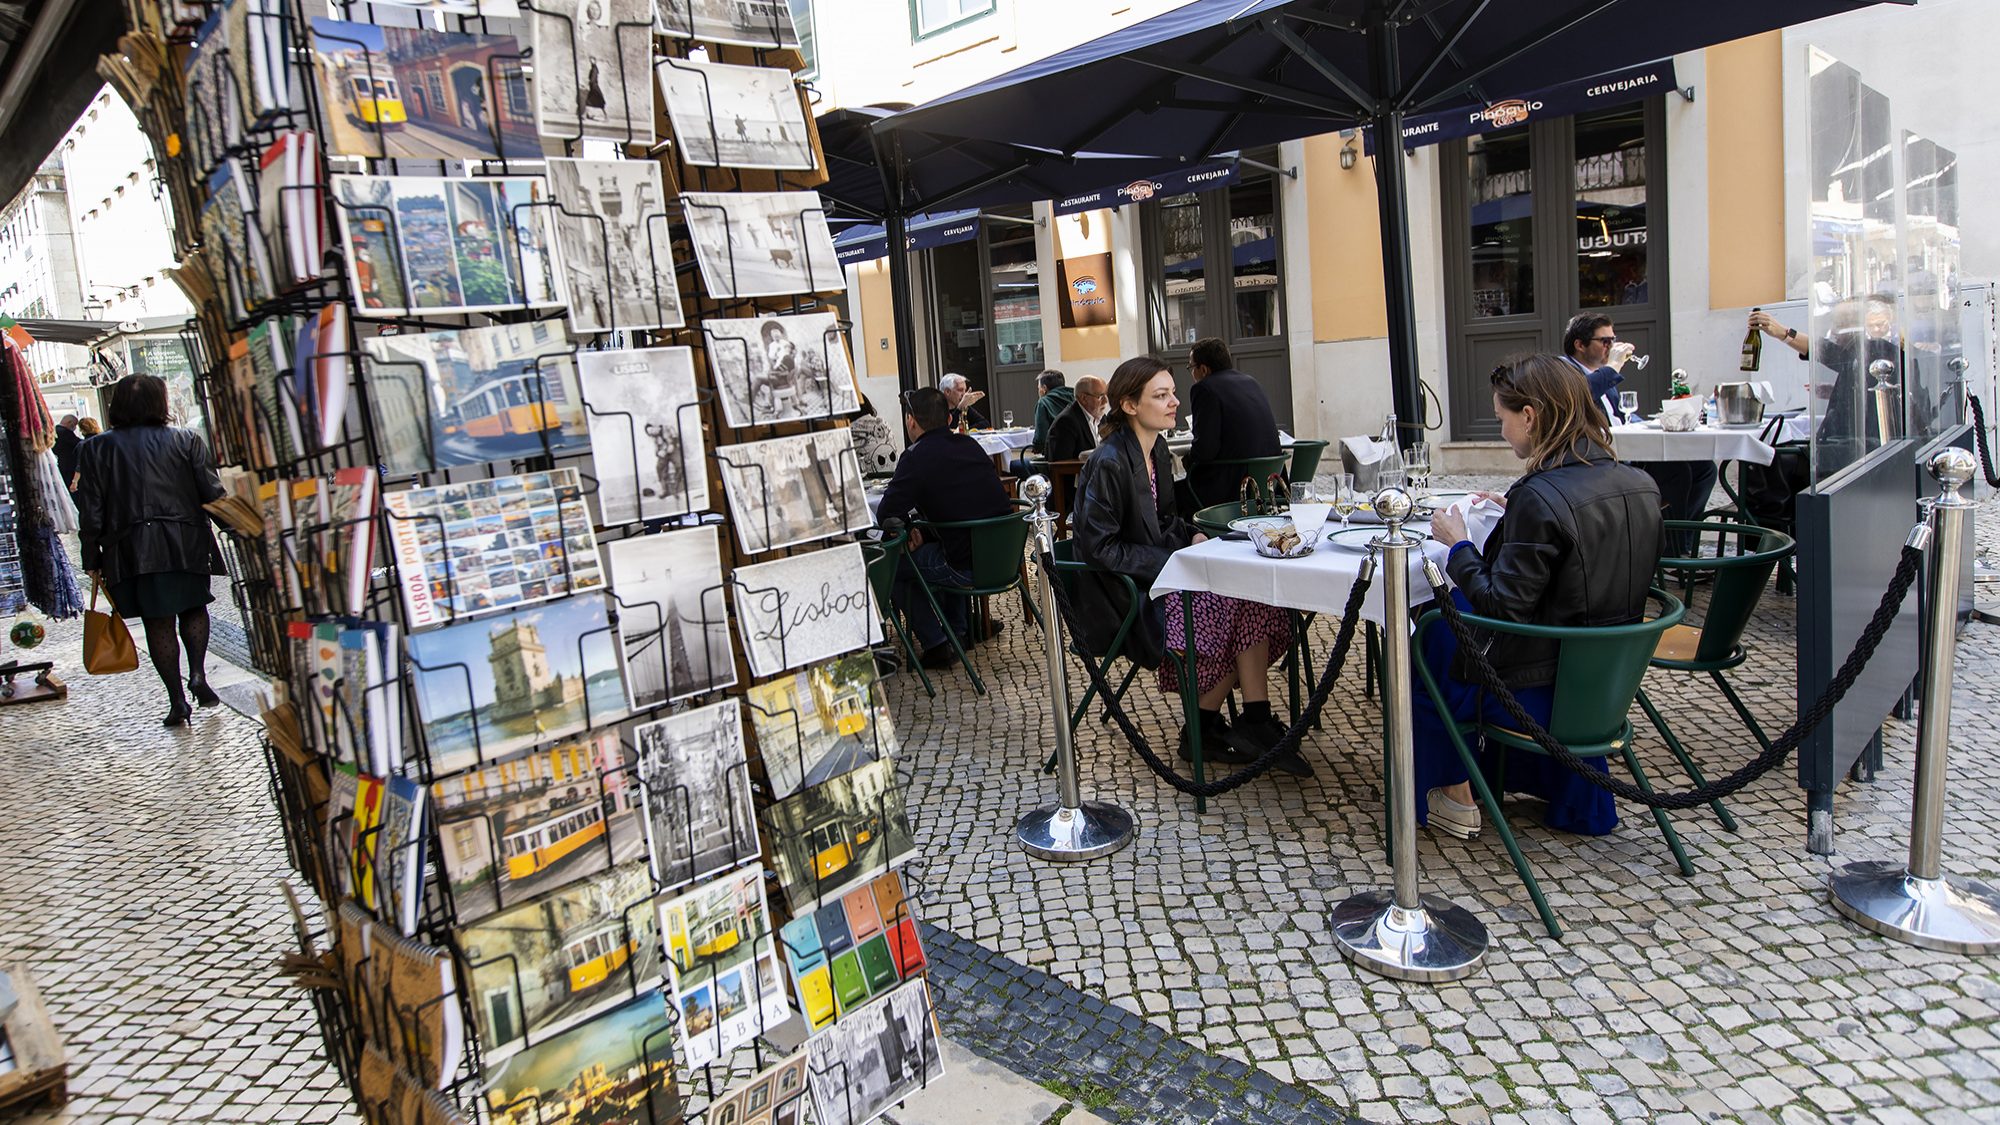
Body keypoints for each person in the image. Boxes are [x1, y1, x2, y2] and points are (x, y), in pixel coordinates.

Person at [1415, 355, 1664, 839]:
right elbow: (1587, 561)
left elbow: (1501, 606)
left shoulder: (1541, 493)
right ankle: (1535, 785)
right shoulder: (1638, 482)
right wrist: (1519, 521)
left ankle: (1453, 792)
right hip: (1604, 680)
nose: (1502, 431)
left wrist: (1459, 544)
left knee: (1431, 632)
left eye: (1502, 418)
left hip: (1542, 686)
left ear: (1529, 415)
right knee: (1448, 622)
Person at [1073, 357, 1307, 777]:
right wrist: (1175, 560)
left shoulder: (1156, 449)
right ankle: (1211, 726)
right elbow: (1098, 548)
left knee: (1256, 598)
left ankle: (1244, 719)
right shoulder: (1108, 461)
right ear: (1129, 405)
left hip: (1164, 580)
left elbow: (1164, 522)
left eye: (1172, 392)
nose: (1175, 402)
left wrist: (1196, 537)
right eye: (1161, 396)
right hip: (1126, 598)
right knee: (1233, 608)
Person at [75, 374, 227, 727]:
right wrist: (238, 528)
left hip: (132, 549)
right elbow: (211, 492)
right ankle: (199, 675)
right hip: (185, 542)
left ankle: (176, 700)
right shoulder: (186, 439)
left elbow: (91, 511)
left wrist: (91, 556)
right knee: (193, 608)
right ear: (161, 403)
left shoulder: (95, 448)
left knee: (157, 622)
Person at [875, 387, 1010, 668]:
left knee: (892, 568)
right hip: (1003, 559)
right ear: (949, 420)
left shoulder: (916, 457)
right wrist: (921, 531)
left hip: (965, 566)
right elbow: (962, 505)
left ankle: (937, 644)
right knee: (946, 546)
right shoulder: (970, 445)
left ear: (911, 421)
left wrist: (911, 527)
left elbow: (887, 512)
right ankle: (958, 631)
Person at [1562, 312, 1715, 548]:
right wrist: (1613, 366)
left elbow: (1620, 415)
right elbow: (1577, 397)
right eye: (1605, 341)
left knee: (1703, 467)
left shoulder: (1600, 373)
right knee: (1677, 472)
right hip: (1594, 462)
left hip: (1624, 452)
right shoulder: (1565, 372)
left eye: (1613, 339)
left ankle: (1680, 543)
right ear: (1579, 345)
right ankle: (1668, 551)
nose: (1611, 346)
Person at [1181, 338, 1281, 509]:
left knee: (1174, 495)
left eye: (1191, 367)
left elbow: (1205, 450)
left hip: (1234, 487)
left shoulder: (1204, 388)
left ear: (1203, 369)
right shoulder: (1251, 382)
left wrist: (1187, 460)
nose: (1191, 373)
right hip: (1270, 481)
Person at [1009, 371, 1074, 476]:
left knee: (1010, 467)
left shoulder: (1044, 402)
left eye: (1038, 388)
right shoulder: (1075, 397)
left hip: (1053, 461)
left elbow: (1041, 438)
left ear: (1044, 389)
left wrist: (1037, 446)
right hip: (1075, 457)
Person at [1045, 375, 1105, 463]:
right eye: (1101, 397)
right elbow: (1060, 465)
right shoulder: (1066, 422)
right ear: (1084, 398)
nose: (1106, 401)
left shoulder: (1101, 418)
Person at [52, 414, 81, 496]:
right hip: (70, 467)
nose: (75, 427)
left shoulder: (55, 431)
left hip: (61, 465)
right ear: (69, 422)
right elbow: (78, 443)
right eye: (74, 424)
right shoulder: (65, 432)